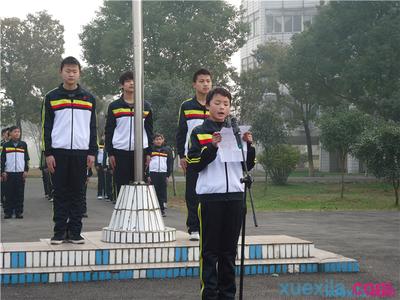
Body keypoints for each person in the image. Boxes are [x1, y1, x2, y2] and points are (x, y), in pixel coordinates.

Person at [187, 87, 256, 300]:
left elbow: (248, 165)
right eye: (217, 103)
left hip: (235, 196)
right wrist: (212, 147)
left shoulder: (236, 133)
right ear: (208, 105)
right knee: (209, 252)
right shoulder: (199, 132)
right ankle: (209, 295)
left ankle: (228, 295)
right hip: (211, 197)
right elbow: (194, 164)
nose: (222, 107)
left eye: (226, 104)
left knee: (228, 252)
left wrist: (250, 145)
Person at [42, 56, 97, 244]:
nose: (71, 74)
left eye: (74, 71)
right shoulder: (51, 97)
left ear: (79, 73)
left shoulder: (89, 98)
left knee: (78, 193)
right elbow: (46, 127)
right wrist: (47, 153)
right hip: (58, 152)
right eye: (68, 70)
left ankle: (75, 232)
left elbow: (92, 127)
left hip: (81, 153)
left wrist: (92, 152)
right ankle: (58, 232)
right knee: (60, 192)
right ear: (61, 72)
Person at [176, 68, 212, 241]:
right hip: (192, 157)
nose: (205, 84)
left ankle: (208, 225)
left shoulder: (215, 105)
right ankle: (193, 227)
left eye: (208, 81)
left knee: (211, 192)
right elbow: (181, 132)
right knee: (192, 192)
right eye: (201, 81)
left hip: (213, 157)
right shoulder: (187, 106)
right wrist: (181, 155)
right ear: (194, 84)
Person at [105, 71, 153, 198]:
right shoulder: (114, 106)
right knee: (122, 187)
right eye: (128, 81)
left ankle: (138, 215)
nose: (132, 83)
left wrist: (149, 153)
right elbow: (109, 130)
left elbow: (149, 130)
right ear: (122, 85)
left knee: (140, 187)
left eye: (134, 80)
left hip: (140, 152)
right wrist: (110, 153)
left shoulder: (146, 106)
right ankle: (122, 214)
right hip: (120, 151)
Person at [1, 126, 30, 219]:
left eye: (18, 132)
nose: (17, 133)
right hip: (9, 173)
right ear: (10, 133)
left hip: (20, 173)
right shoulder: (6, 145)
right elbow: (2, 160)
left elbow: (26, 159)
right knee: (8, 193)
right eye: (15, 132)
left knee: (19, 193)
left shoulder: (23, 144)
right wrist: (3, 171)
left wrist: (26, 170)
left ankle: (19, 212)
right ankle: (8, 212)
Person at [147, 133, 173, 217]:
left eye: (160, 139)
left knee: (162, 192)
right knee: (153, 192)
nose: (158, 141)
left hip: (163, 174)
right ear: (153, 141)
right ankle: (152, 209)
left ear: (163, 140)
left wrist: (167, 175)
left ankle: (161, 210)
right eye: (156, 139)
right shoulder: (150, 150)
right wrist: (148, 175)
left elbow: (169, 163)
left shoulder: (167, 150)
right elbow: (146, 163)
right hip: (153, 174)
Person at [1, 127, 9, 206]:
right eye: (7, 133)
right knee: (3, 186)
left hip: (10, 168)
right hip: (2, 168)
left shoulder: (12, 144)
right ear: (3, 134)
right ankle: (2, 201)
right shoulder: (1, 144)